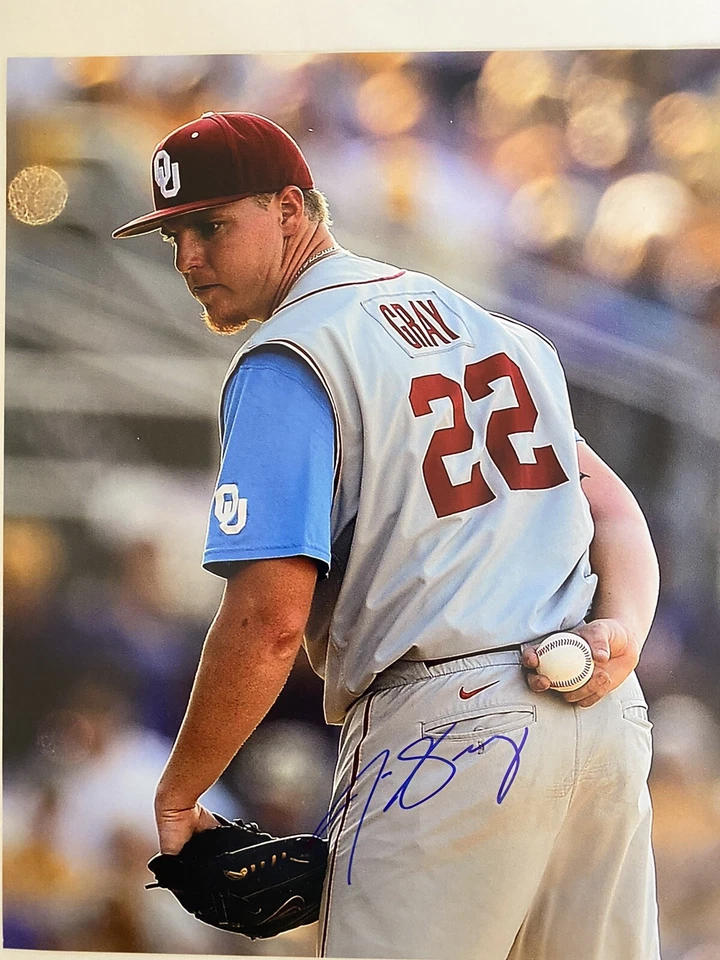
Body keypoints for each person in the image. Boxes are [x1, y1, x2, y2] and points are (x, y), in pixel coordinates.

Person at [113, 111, 661, 960]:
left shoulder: (292, 355)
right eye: (175, 234)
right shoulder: (491, 327)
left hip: (447, 732)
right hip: (602, 719)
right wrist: (623, 632)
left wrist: (182, 793)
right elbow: (617, 510)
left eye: (212, 225)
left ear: (293, 210)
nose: (188, 259)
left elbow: (271, 621)